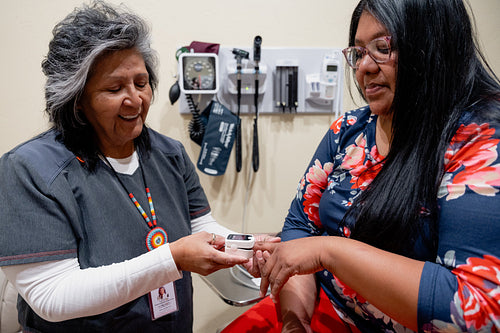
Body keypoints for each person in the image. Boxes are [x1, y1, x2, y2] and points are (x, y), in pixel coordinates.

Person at [0, 1, 277, 332]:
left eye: (142, 82)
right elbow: (52, 296)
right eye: (115, 88)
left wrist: (245, 246)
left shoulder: (169, 153)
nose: (136, 99)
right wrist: (171, 259)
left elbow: (200, 230)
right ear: (77, 100)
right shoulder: (30, 170)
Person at [245, 0, 500, 332]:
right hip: (326, 311)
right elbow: (300, 229)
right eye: (358, 52)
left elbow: (476, 310)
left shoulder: (480, 142)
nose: (363, 67)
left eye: (382, 48)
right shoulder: (348, 130)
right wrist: (295, 321)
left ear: (433, 49)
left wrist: (328, 251)